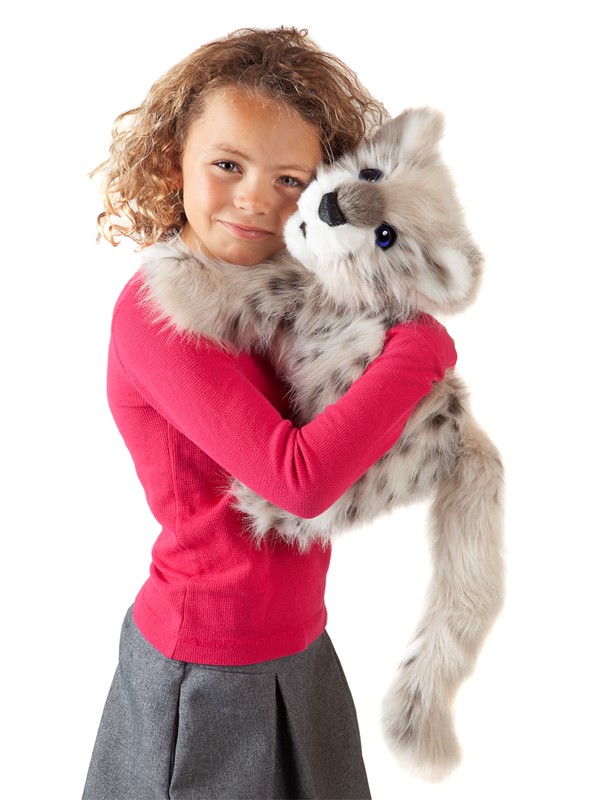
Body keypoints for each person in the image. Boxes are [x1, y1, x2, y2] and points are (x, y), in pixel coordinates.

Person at [83, 26, 457, 800]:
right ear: (172, 162)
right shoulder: (159, 316)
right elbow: (299, 479)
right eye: (228, 165)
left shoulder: (280, 295)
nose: (257, 198)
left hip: (300, 649)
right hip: (204, 673)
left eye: (291, 179)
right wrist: (420, 349)